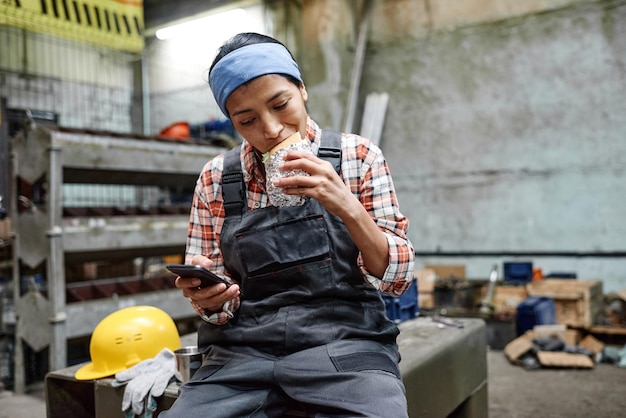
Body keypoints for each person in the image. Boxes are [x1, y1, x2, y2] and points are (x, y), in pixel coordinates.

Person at [162, 32, 415, 417]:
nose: (272, 129)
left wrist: (347, 205)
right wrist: (209, 297)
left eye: (282, 105)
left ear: (302, 89)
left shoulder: (358, 157)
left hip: (346, 345)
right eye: (247, 120)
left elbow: (396, 279)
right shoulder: (216, 178)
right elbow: (216, 308)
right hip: (242, 355)